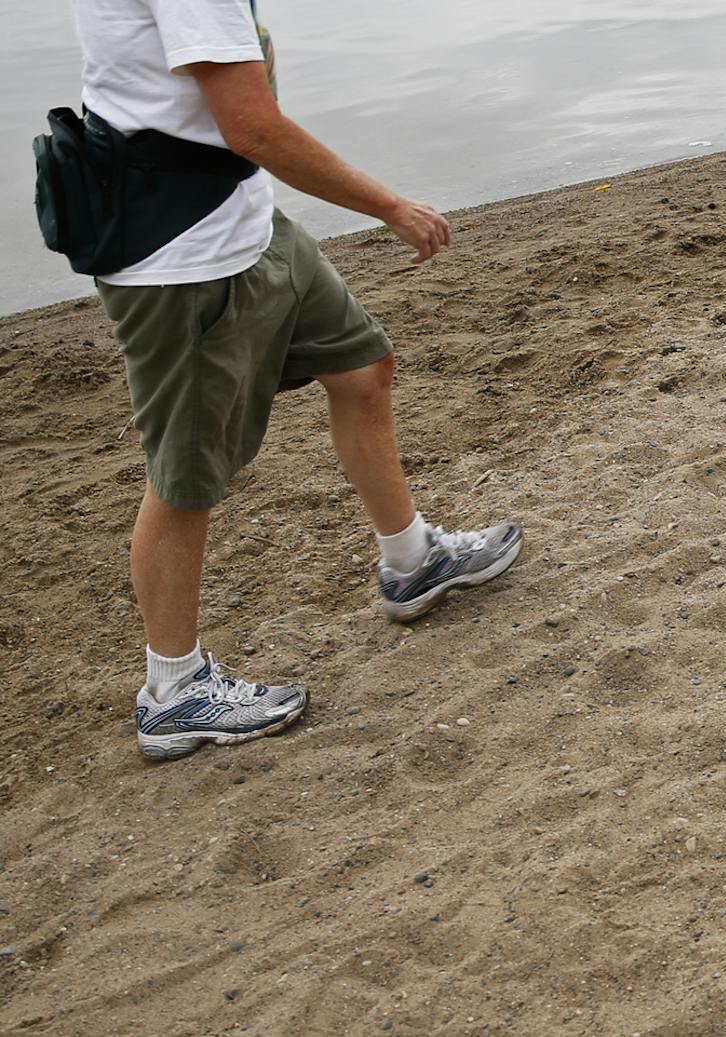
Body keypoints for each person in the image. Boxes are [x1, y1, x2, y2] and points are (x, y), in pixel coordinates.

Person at [72, 0, 523, 759]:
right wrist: (389, 206)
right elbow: (252, 125)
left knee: (361, 366)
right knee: (186, 473)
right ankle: (173, 691)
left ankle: (412, 561)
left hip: (242, 218)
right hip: (181, 256)